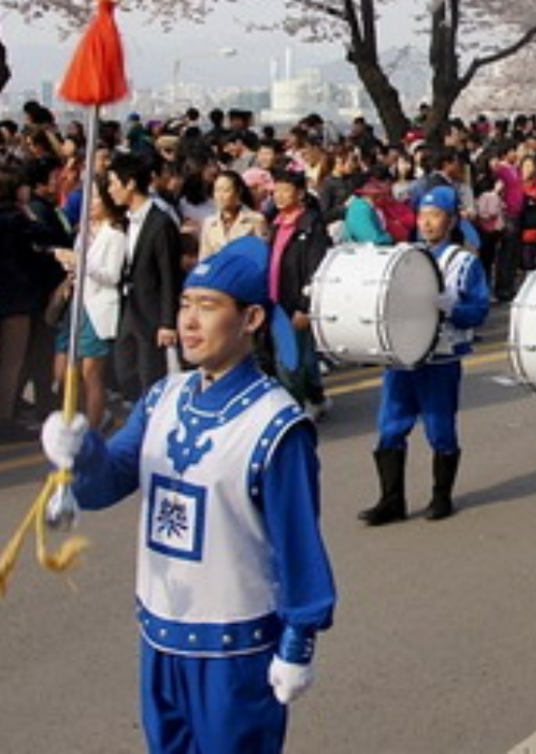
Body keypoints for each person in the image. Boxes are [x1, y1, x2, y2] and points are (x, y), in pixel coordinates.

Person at [40, 237, 336, 753]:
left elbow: (299, 546)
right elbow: (105, 483)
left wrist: (298, 641)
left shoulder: (276, 425)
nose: (189, 322)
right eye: (185, 305)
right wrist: (80, 450)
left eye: (208, 306)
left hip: (236, 653)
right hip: (160, 639)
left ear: (251, 320)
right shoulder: (163, 397)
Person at [359, 185, 491, 525]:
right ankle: (391, 500)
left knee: (440, 429)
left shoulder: (464, 261)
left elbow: (478, 310)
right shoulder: (405, 255)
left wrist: (454, 308)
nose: (427, 223)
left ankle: (441, 496)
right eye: (422, 216)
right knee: (390, 427)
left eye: (435, 216)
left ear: (451, 220)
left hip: (441, 358)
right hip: (402, 356)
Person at [51, 177, 129, 432]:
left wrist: (80, 261)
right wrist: (70, 264)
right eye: (88, 197)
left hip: (97, 308)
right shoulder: (84, 231)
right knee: (62, 372)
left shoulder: (115, 236)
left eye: (95, 197)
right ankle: (89, 415)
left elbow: (111, 276)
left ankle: (93, 430)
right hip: (74, 303)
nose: (91, 203)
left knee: (90, 373)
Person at [108, 153, 184, 402]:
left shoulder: (160, 223)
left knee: (150, 375)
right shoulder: (128, 221)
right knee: (123, 370)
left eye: (113, 183)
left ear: (130, 184)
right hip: (130, 306)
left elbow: (170, 275)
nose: (110, 191)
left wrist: (167, 322)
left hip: (152, 314)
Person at [265, 170, 332, 421]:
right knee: (302, 355)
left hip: (295, 302)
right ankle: (316, 398)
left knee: (289, 361)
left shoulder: (310, 223)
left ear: (300, 193)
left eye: (285, 191)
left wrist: (305, 306)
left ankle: (294, 408)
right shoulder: (275, 222)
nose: (279, 196)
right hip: (275, 301)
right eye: (276, 191)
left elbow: (316, 267)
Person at [198, 170, 268, 260]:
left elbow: (262, 256)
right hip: (218, 273)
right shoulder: (209, 222)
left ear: (238, 192)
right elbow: (204, 258)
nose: (220, 196)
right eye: (217, 190)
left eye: (226, 190)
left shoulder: (256, 220)